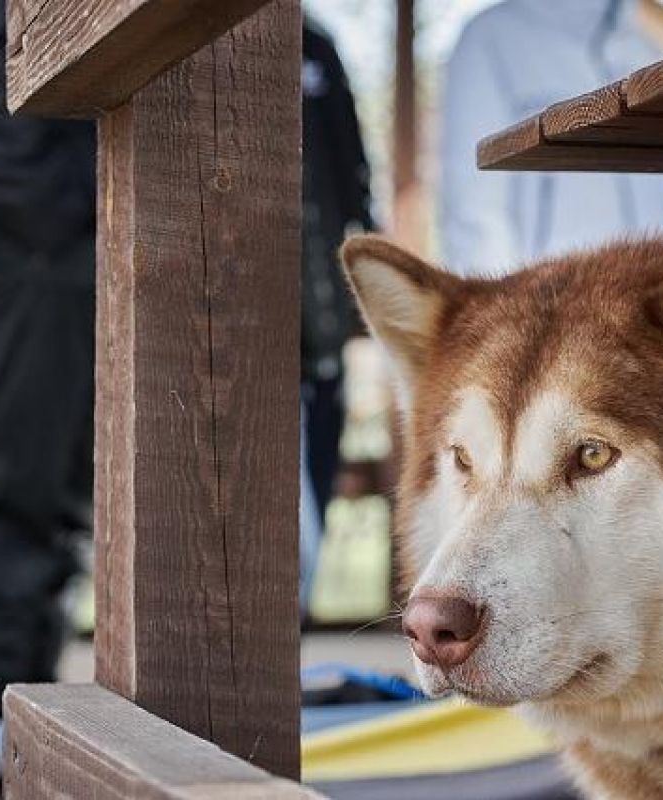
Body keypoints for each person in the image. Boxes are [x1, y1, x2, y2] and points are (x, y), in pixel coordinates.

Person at [0, 0, 96, 716]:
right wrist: (56, 217)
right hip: (21, 244)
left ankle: (8, 716)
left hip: (33, 240)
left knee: (46, 498)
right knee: (16, 497)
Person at [440, 0, 663, 275]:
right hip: (552, 304)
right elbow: (474, 211)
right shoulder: (490, 38)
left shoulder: (646, 49)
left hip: (652, 296)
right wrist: (497, 308)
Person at [298, 16, 374, 609]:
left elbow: (353, 177)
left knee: (314, 485)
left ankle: (287, 635)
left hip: (318, 325)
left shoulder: (315, 43)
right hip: (237, 322)